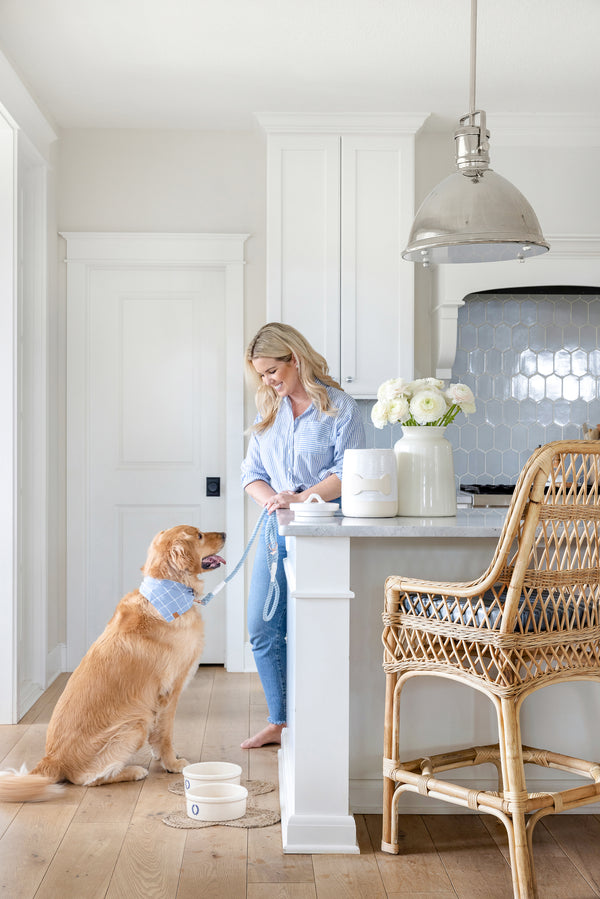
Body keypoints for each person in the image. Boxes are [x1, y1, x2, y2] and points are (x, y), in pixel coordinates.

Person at [240, 322, 366, 749]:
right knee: (262, 626)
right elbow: (251, 474)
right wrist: (274, 500)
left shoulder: (339, 408)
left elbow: (346, 475)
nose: (268, 381)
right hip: (276, 533)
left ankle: (313, 725)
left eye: (272, 371)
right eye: (261, 374)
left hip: (322, 532)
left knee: (315, 629)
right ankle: (279, 721)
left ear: (295, 359)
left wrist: (301, 498)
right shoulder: (268, 412)